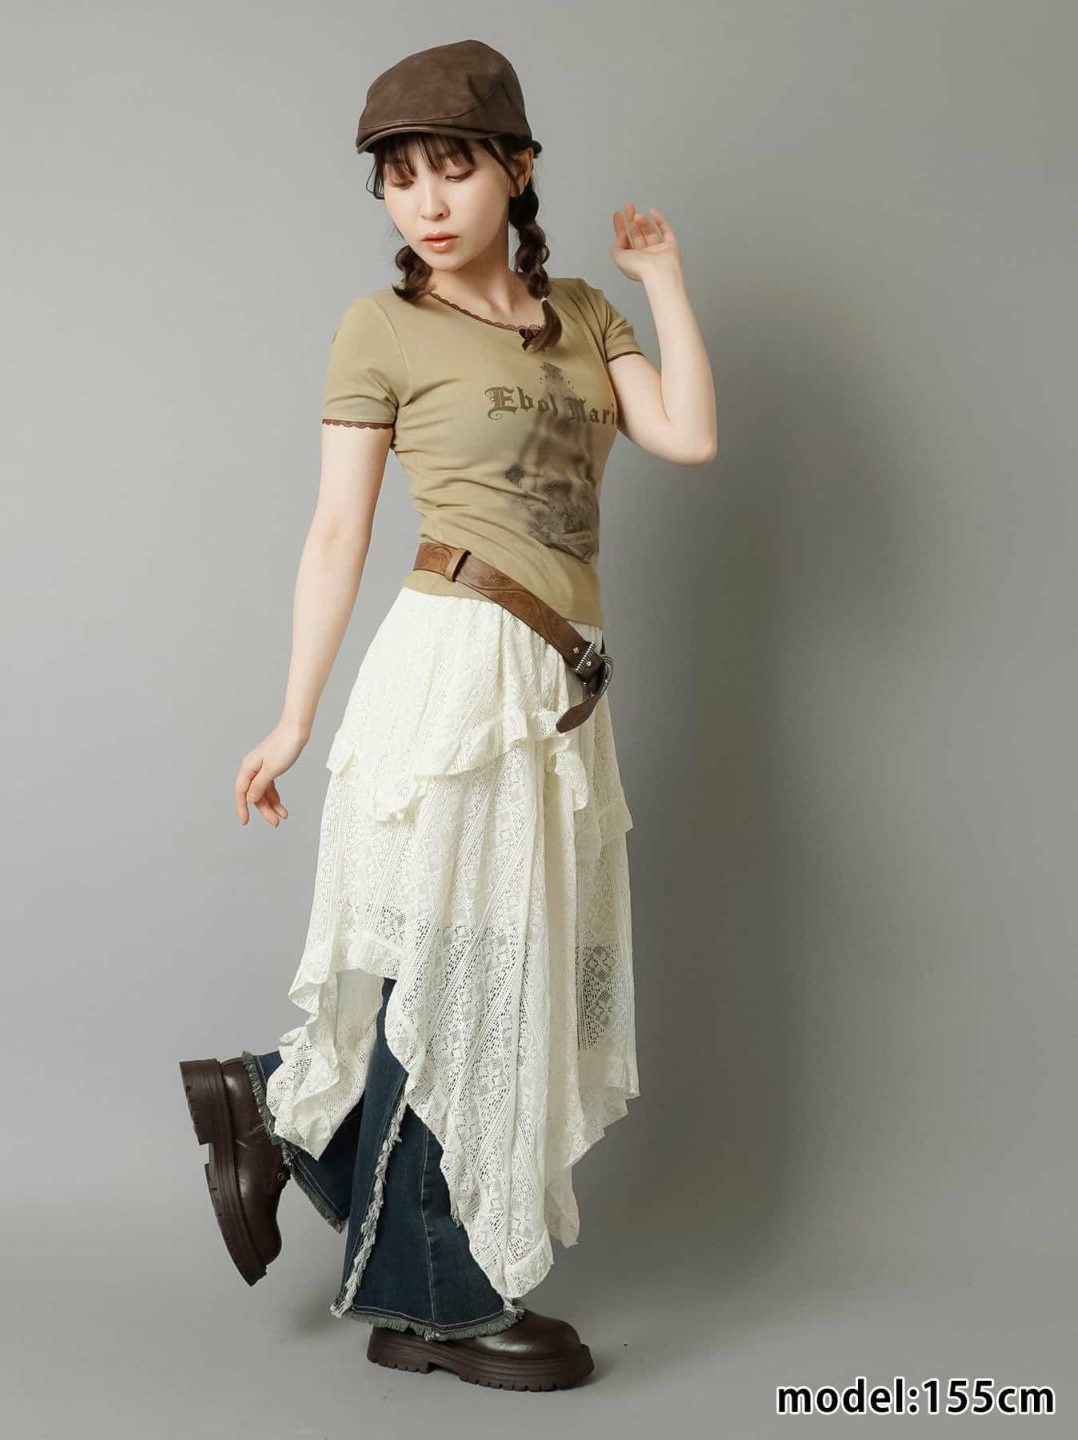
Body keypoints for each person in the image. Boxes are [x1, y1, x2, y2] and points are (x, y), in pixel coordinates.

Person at [178, 38, 717, 1392]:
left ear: (517, 170)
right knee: (468, 976)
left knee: (497, 972)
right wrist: (294, 716)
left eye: (454, 167)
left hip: (561, 686)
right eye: (399, 175)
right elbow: (337, 532)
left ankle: (281, 1111)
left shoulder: (583, 313)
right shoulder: (381, 329)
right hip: (456, 668)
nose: (424, 200)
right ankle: (438, 1298)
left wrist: (663, 280)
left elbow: (689, 437)